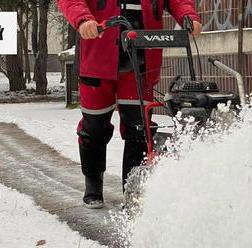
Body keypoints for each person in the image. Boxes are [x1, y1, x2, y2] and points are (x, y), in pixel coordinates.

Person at [57, 0, 201, 209]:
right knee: (94, 128)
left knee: (140, 129)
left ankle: (133, 189)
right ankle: (93, 182)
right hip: (98, 58)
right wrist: (83, 20)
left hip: (141, 61)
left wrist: (188, 15)